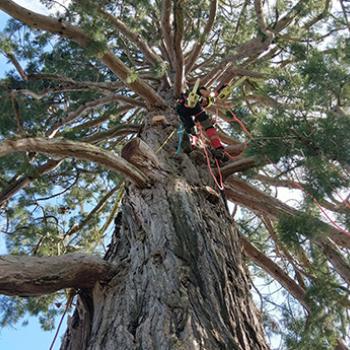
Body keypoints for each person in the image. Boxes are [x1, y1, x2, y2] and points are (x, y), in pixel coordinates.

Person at [176, 84, 227, 161]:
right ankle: (188, 140)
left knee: (207, 127)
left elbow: (206, 124)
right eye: (205, 102)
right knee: (190, 127)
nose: (204, 104)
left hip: (189, 111)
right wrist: (218, 90)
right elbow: (205, 92)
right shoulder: (197, 91)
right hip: (182, 108)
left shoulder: (199, 108)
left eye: (205, 105)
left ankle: (218, 148)